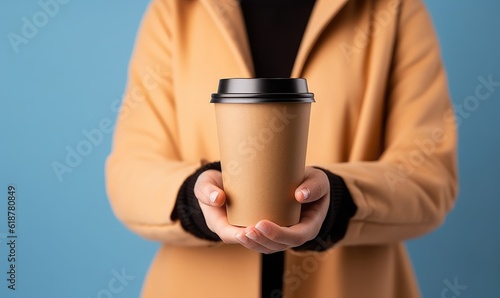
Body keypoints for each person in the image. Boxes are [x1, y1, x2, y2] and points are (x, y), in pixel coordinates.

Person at [105, 0, 458, 297]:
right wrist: (195, 201)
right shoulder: (176, 9)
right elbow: (131, 173)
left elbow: (429, 175)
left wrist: (337, 199)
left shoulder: (392, 8)